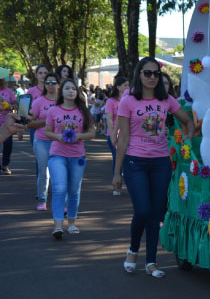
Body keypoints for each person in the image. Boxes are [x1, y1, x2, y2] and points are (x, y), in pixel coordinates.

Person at [113, 57, 195, 278]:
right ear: (139, 74)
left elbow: (188, 120)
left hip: (160, 164)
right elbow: (123, 138)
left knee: (156, 213)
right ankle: (132, 250)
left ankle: (151, 262)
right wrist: (117, 172)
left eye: (156, 73)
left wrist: (186, 137)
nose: (152, 77)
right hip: (135, 162)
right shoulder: (128, 100)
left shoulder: (166, 99)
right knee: (142, 210)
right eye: (147, 73)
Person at [45, 79, 95, 239]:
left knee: (73, 190)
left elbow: (92, 134)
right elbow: (48, 132)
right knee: (59, 188)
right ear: (62, 92)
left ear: (77, 92)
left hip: (77, 156)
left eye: (73, 88)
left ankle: (72, 223)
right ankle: (58, 226)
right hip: (57, 155)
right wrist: (58, 137)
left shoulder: (83, 111)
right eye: (67, 88)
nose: (71, 91)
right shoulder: (53, 111)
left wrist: (77, 136)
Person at [27, 73, 59, 210]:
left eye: (53, 82)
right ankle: (42, 199)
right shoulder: (39, 102)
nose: (51, 85)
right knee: (44, 171)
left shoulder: (64, 101)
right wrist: (46, 121)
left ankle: (61, 201)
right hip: (42, 141)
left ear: (59, 84)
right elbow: (30, 124)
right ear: (44, 85)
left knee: (59, 172)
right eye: (48, 83)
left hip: (59, 141)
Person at [106, 77, 128, 196]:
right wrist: (113, 135)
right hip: (114, 135)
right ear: (118, 87)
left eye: (128, 85)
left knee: (127, 159)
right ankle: (117, 186)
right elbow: (109, 120)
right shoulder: (111, 101)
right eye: (125, 85)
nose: (127, 88)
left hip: (126, 135)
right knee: (117, 158)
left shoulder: (129, 100)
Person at [0, 78, 17, 175]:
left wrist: (10, 107)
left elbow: (15, 104)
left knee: (8, 144)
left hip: (7, 122)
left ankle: (5, 165)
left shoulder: (8, 91)